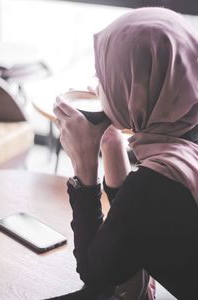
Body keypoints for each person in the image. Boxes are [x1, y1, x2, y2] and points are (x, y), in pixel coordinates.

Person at [52, 7, 198, 300]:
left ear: (137, 92)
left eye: (105, 76)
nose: (97, 85)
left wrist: (84, 165)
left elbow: (98, 275)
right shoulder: (180, 147)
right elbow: (133, 234)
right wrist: (112, 146)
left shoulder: (160, 182)